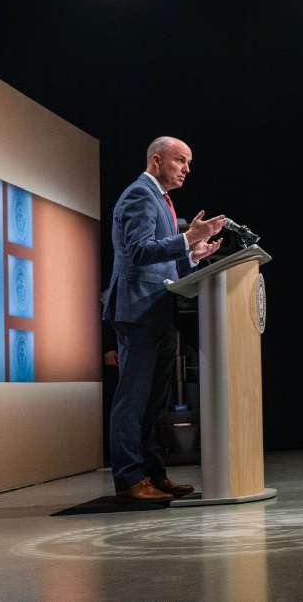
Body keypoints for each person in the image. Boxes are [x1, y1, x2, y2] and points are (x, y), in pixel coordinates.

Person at [103, 136, 227, 501]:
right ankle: (129, 479)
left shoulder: (162, 200)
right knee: (132, 401)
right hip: (138, 311)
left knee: (153, 404)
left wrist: (193, 254)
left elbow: (161, 259)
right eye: (180, 161)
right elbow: (139, 251)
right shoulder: (139, 195)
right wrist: (187, 238)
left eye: (189, 163)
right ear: (157, 161)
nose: (186, 169)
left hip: (158, 309)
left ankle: (154, 476)